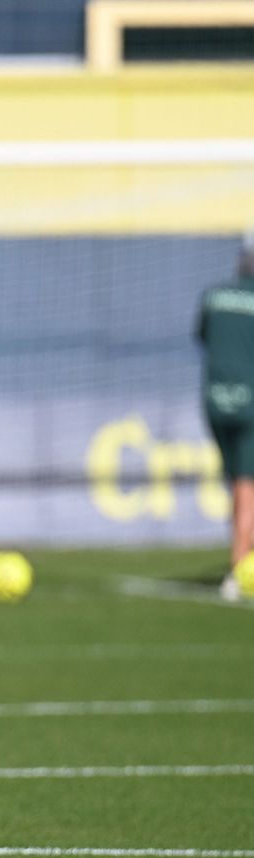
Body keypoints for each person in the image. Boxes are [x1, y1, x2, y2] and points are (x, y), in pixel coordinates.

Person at [198, 247, 254, 601]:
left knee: (237, 484)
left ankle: (242, 555)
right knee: (247, 490)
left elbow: (202, 338)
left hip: (215, 401)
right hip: (250, 403)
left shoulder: (213, 296)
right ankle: (238, 571)